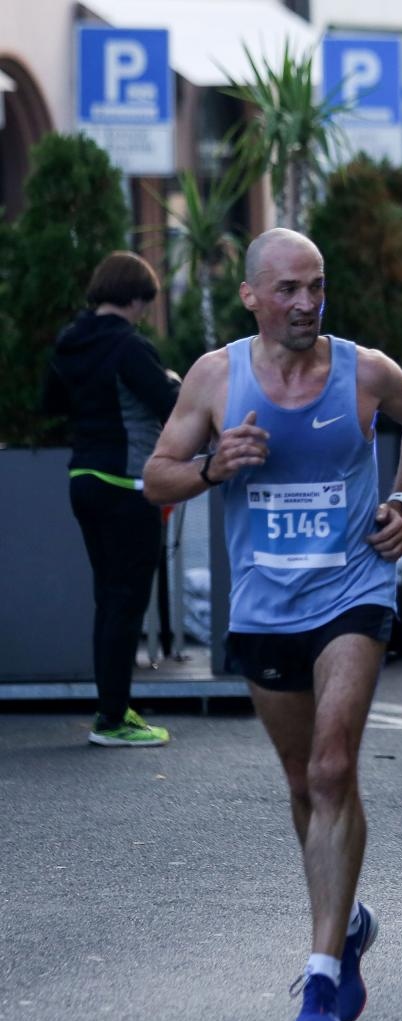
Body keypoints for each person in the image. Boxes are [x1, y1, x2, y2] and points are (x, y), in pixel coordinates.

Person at [143, 227, 402, 1021]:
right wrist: (212, 467)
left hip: (352, 591)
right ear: (252, 297)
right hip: (265, 607)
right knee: (303, 784)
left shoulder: (365, 371)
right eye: (289, 290)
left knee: (332, 764)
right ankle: (343, 924)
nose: (307, 303)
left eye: (316, 287)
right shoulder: (216, 377)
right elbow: (155, 476)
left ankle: (318, 978)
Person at [43, 251, 181, 747]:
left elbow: (50, 404)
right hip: (128, 482)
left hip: (83, 476)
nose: (145, 312)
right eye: (146, 303)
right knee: (127, 601)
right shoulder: (129, 346)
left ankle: (112, 709)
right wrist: (172, 384)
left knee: (109, 599)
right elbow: (172, 407)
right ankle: (113, 719)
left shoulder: (69, 343)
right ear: (134, 297)